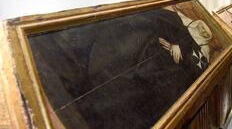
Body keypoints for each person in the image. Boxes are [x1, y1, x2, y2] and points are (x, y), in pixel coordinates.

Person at [28, 7, 215, 128]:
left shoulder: (184, 45)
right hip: (80, 70)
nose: (203, 30)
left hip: (112, 93)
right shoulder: (169, 19)